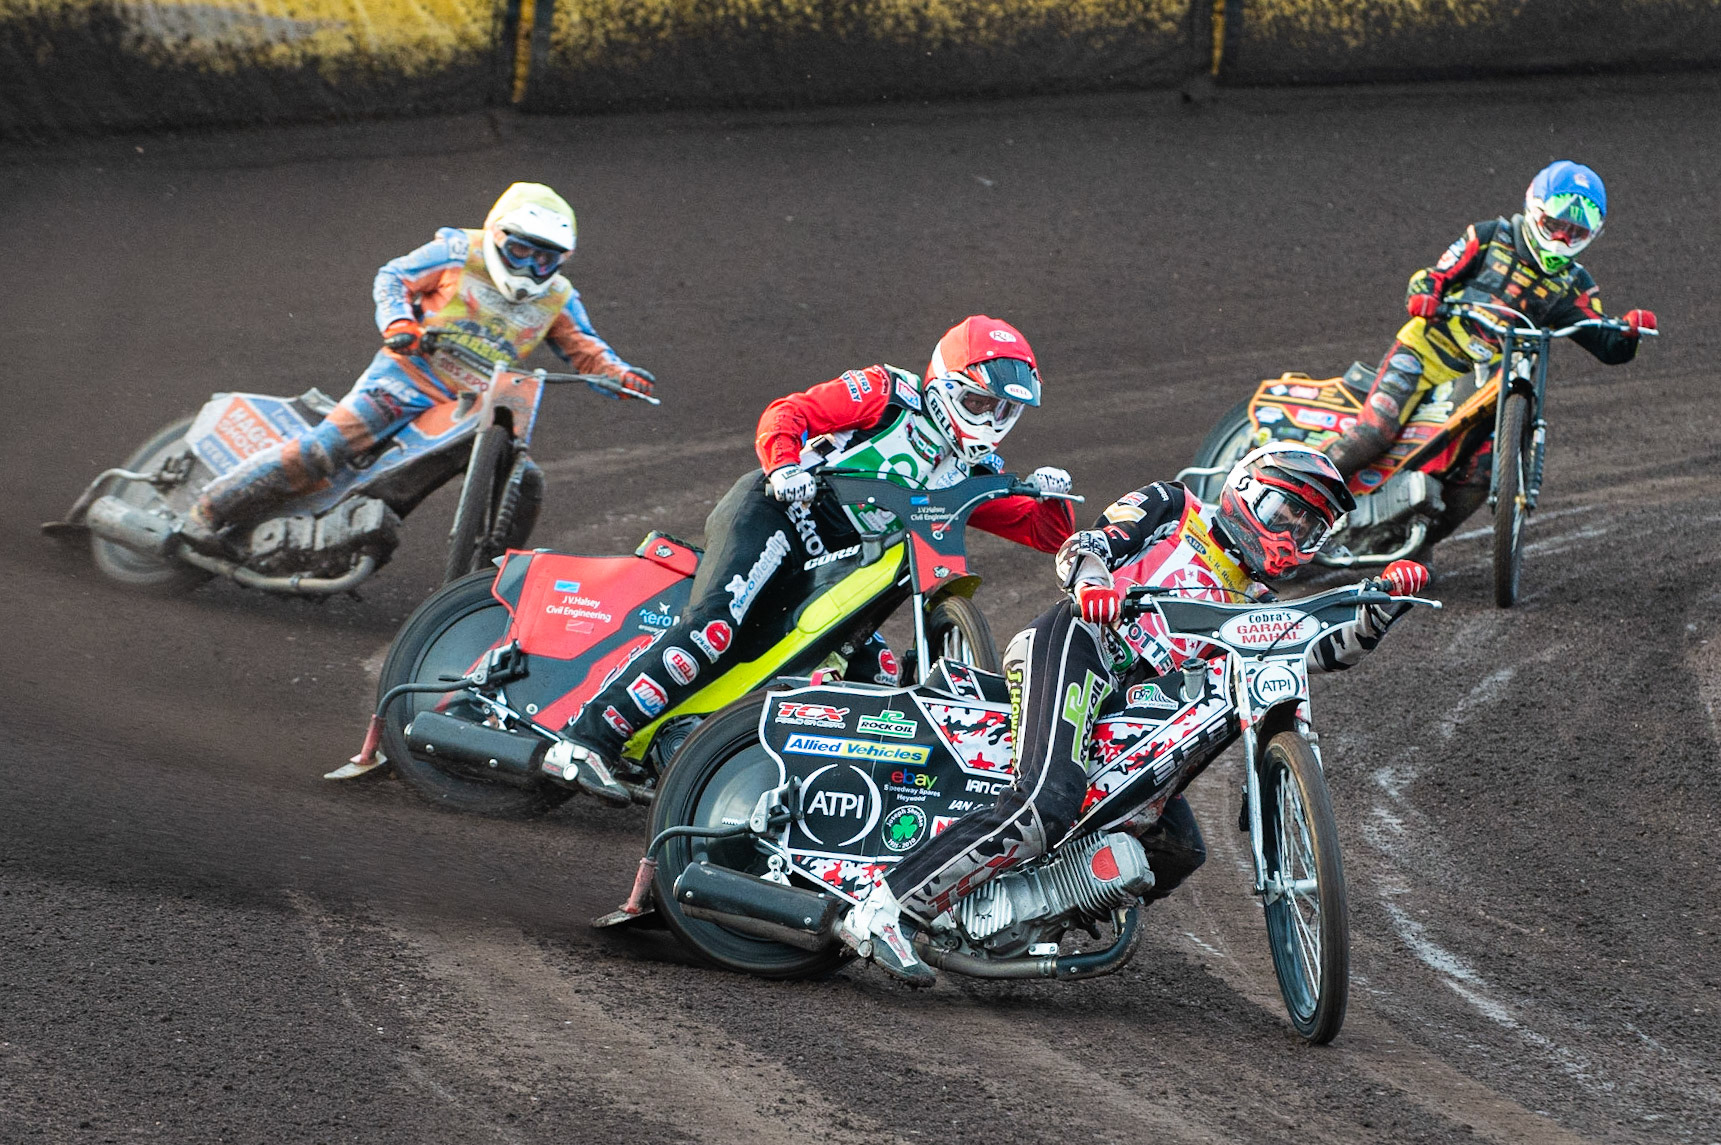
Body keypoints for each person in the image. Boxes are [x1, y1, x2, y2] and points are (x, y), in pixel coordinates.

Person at [837, 443, 1428, 984]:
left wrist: (1380, 607)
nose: (1292, 535)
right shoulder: (1174, 507)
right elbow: (1086, 544)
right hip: (1080, 645)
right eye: (1285, 513)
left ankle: (1035, 908)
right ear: (1246, 491)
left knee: (1177, 846)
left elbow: (1320, 649)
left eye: (1310, 529)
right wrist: (1095, 580)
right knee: (1046, 799)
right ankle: (883, 910)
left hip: (1137, 717)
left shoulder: (1257, 604)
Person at [549, 315, 1077, 804]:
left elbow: (1045, 531)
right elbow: (789, 412)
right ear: (946, 383)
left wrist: (1049, 492)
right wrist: (783, 467)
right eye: (981, 403)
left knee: (877, 676)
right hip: (780, 514)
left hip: (840, 569)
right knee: (714, 628)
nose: (992, 420)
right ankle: (585, 738)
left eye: (1004, 410)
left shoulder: (973, 468)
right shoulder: (886, 392)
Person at [180, 182, 655, 550]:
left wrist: (619, 376)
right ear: (497, 236)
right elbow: (393, 276)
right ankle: (210, 511)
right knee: (324, 450)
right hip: (404, 380)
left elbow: (587, 350)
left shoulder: (559, 298)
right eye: (520, 252)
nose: (530, 268)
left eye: (545, 259)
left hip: (476, 404)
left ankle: (478, 578)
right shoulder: (456, 252)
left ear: (562, 261)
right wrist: (399, 323)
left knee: (521, 471)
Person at [1321, 160, 1657, 548]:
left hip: (1488, 382)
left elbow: (1605, 342)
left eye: (1576, 232)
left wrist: (1629, 330)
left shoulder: (1574, 285)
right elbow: (1433, 275)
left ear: (1592, 234)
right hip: (1426, 352)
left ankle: (1410, 540)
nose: (1563, 240)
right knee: (1374, 433)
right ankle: (1293, 502)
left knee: (1482, 471)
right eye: (1556, 226)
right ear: (1535, 210)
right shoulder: (1487, 237)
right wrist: (1425, 294)